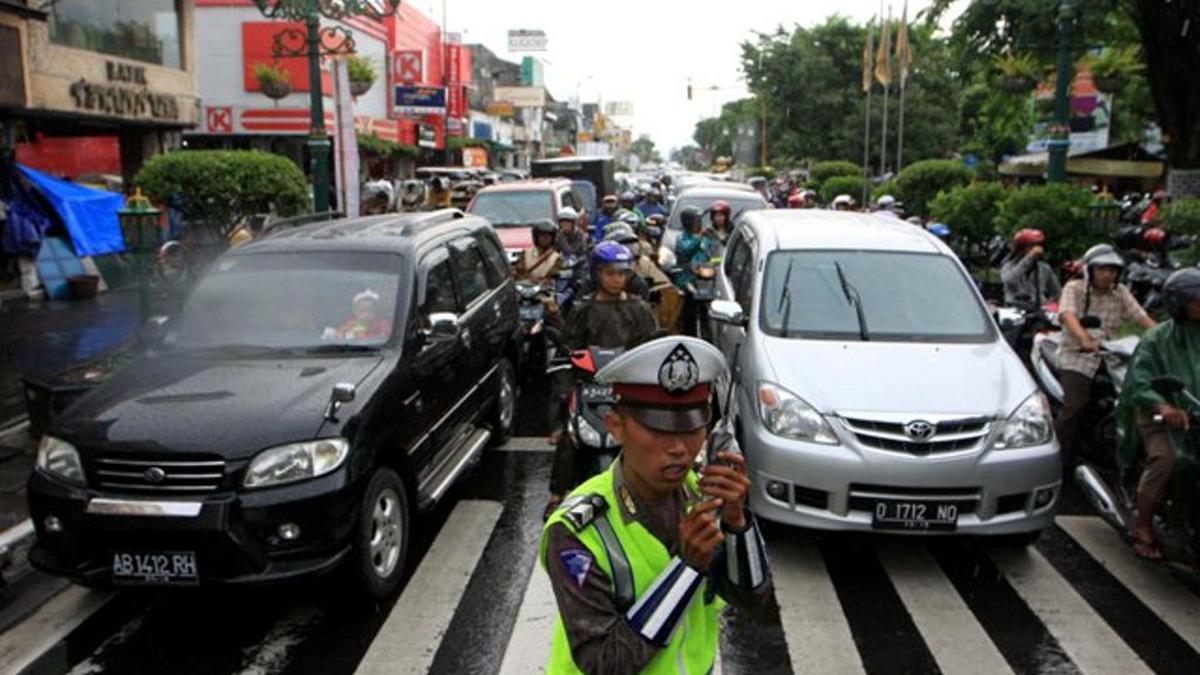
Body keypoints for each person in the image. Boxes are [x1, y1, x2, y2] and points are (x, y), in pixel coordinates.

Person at [541, 336, 772, 674]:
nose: (680, 447)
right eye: (660, 430)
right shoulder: (578, 531)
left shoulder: (703, 492)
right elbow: (604, 663)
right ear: (616, 426)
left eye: (692, 426)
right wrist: (686, 568)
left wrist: (739, 525)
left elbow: (754, 603)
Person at [545, 242, 659, 512]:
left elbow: (650, 348)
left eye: (622, 273)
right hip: (590, 386)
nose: (617, 279)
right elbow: (566, 353)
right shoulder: (582, 310)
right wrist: (564, 395)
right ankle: (557, 495)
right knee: (569, 437)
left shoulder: (640, 309)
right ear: (597, 274)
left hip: (628, 388)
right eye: (610, 273)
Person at [1116, 268, 1200, 560]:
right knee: (1173, 460)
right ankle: (1142, 526)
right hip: (1161, 417)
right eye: (1197, 300)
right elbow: (1139, 382)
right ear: (1179, 303)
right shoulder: (1157, 339)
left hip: (1196, 417)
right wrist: (1164, 406)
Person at [1056, 243, 1157, 463]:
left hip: (1111, 356)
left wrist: (1163, 336)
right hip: (1077, 355)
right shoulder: (1074, 288)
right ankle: (1059, 461)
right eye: (1101, 269)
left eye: (1112, 270)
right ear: (1090, 270)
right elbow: (1067, 315)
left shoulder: (1120, 292)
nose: (1107, 274)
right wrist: (1084, 338)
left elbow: (1141, 317)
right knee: (1075, 406)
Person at [1001, 228, 1062, 306]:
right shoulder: (1008, 266)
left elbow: (1057, 293)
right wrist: (1030, 257)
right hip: (1015, 308)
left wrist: (1048, 305)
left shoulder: (1044, 268)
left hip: (1039, 309)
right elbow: (1011, 280)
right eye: (1031, 246)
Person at [674, 206, 716, 290]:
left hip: (706, 276)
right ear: (688, 223)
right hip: (687, 278)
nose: (699, 223)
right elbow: (688, 249)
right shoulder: (682, 238)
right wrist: (699, 237)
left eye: (699, 220)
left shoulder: (706, 238)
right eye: (696, 221)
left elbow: (714, 255)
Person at [515, 219, 564, 284]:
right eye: (542, 235)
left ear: (553, 238)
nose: (545, 238)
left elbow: (554, 275)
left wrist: (543, 281)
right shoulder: (525, 253)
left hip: (546, 291)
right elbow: (519, 272)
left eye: (548, 235)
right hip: (524, 288)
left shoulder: (557, 258)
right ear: (536, 237)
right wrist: (529, 278)